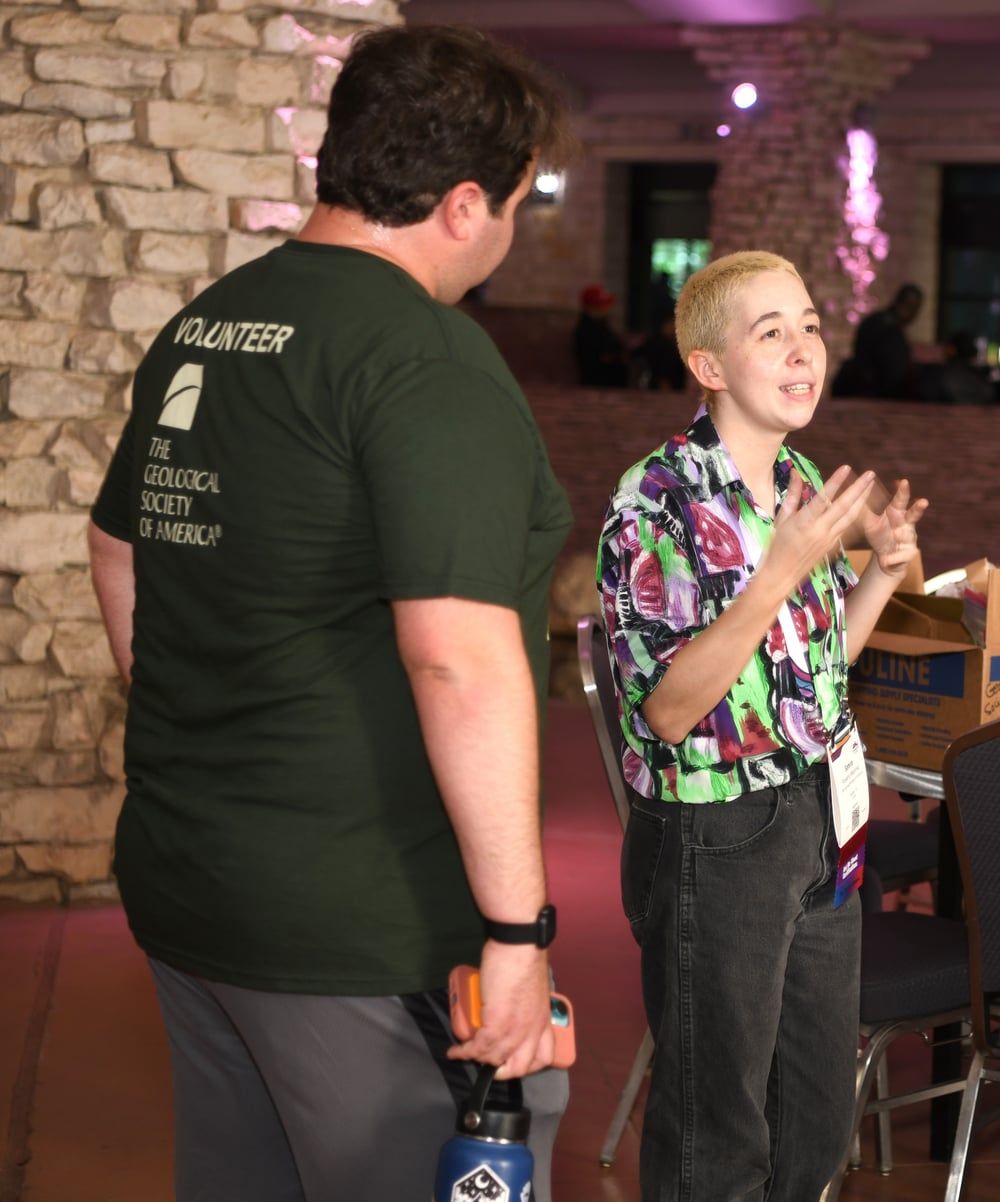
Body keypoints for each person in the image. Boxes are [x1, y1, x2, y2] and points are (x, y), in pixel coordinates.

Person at [84, 26, 572, 1202]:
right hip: (362, 922)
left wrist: (215, 727)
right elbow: (458, 658)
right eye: (513, 205)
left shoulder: (213, 323)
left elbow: (116, 550)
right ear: (464, 204)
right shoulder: (426, 359)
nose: (508, 234)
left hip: (197, 879)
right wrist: (516, 931)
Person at [598, 249, 927, 1201]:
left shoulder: (795, 478)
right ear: (708, 367)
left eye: (812, 327)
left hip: (819, 813)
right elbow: (667, 708)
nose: (803, 350)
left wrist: (880, 575)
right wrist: (780, 568)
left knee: (816, 1117)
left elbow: (812, 671)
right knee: (717, 1132)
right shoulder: (654, 500)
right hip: (717, 831)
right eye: (770, 331)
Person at [831, 282, 923, 398]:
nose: (914, 315)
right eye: (913, 308)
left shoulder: (879, 322)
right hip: (869, 393)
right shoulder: (888, 330)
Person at [575, 282, 631, 387]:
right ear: (592, 308)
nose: (607, 310)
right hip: (598, 385)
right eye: (602, 306)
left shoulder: (603, 326)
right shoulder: (587, 331)